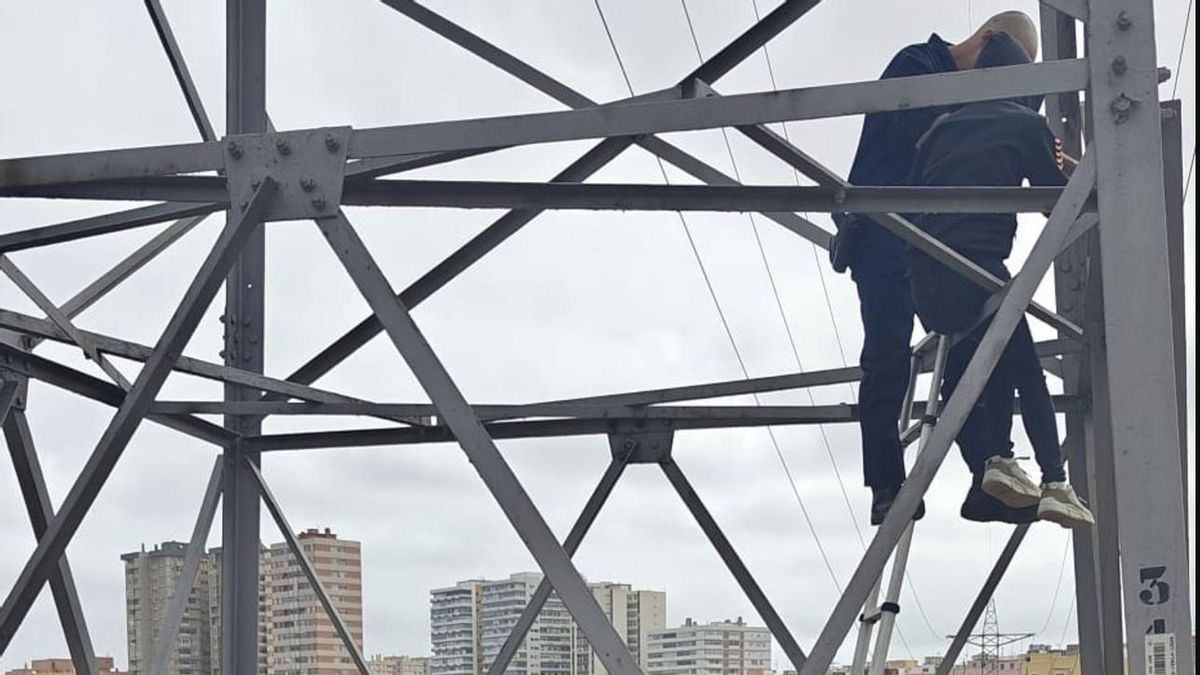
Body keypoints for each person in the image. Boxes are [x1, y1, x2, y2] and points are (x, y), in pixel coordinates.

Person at [832, 11, 1042, 525]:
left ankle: (985, 477)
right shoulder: (917, 63)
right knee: (887, 357)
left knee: (973, 353)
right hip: (883, 235)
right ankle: (887, 484)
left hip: (935, 242)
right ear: (989, 41)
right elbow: (927, 131)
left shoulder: (960, 95)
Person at [905, 31, 1095, 529]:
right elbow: (1060, 202)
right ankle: (1055, 483)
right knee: (1025, 368)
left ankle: (993, 463)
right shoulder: (1025, 123)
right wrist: (1073, 167)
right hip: (978, 270)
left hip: (925, 279)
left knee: (969, 368)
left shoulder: (942, 127)